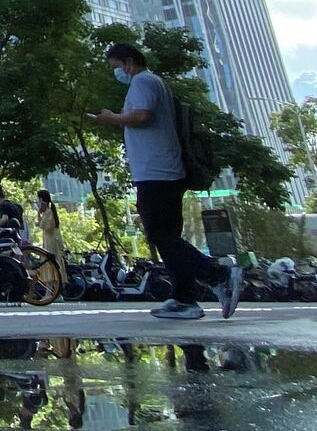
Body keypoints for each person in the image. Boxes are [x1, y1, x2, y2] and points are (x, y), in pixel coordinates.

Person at [90, 42, 241, 321]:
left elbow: (142, 116)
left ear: (127, 62)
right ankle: (184, 298)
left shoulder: (143, 81)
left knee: (159, 235)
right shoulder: (155, 82)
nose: (116, 73)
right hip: (164, 170)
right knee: (168, 237)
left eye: (115, 67)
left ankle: (218, 274)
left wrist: (111, 118)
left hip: (156, 172)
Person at [36, 189, 67, 275]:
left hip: (50, 239)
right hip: (51, 238)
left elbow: (45, 226)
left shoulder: (48, 212)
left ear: (41, 199)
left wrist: (38, 214)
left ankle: (53, 280)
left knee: (50, 259)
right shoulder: (49, 211)